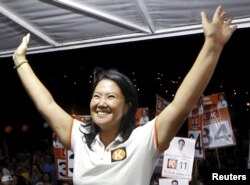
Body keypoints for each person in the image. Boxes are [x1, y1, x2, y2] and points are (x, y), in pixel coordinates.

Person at [12, 5, 236, 185]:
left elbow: (182, 103)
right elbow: (47, 104)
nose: (101, 103)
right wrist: (20, 61)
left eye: (110, 97)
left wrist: (212, 46)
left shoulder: (145, 139)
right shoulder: (78, 137)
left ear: (128, 106)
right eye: (97, 96)